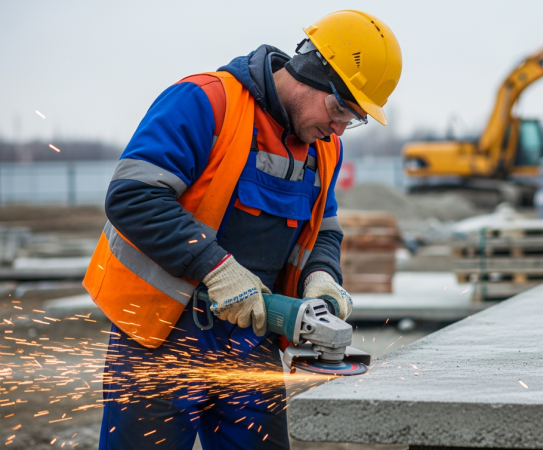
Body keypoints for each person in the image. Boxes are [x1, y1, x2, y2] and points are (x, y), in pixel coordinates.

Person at [83, 10, 402, 450]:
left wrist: (321, 277)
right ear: (310, 71)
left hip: (251, 341)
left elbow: (324, 231)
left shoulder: (325, 149)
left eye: (355, 117)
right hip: (163, 336)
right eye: (340, 107)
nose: (340, 126)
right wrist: (216, 268)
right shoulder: (205, 102)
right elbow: (132, 196)